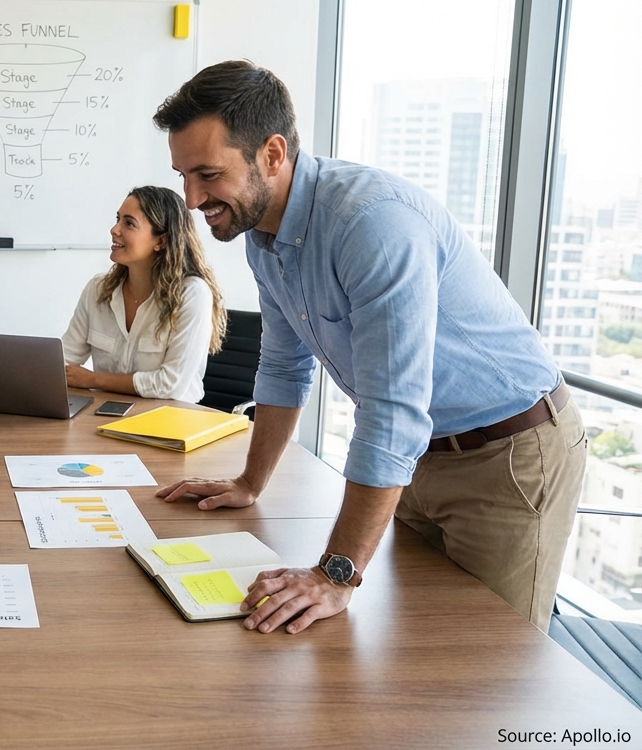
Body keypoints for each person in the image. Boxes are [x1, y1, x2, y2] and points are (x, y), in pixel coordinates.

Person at [151, 60, 586, 636]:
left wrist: (335, 574)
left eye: (207, 174)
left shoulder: (370, 223)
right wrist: (250, 483)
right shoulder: (262, 238)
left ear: (273, 155)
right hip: (423, 456)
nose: (191, 198)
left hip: (509, 454)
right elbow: (283, 367)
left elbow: (392, 409)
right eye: (183, 176)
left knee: (489, 665)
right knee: (417, 648)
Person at [61, 185, 225, 402]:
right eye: (118, 219)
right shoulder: (98, 289)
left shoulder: (192, 293)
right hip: (104, 415)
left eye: (129, 223)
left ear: (161, 241)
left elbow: (170, 385)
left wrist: (94, 380)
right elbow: (63, 361)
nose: (114, 229)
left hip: (170, 421)